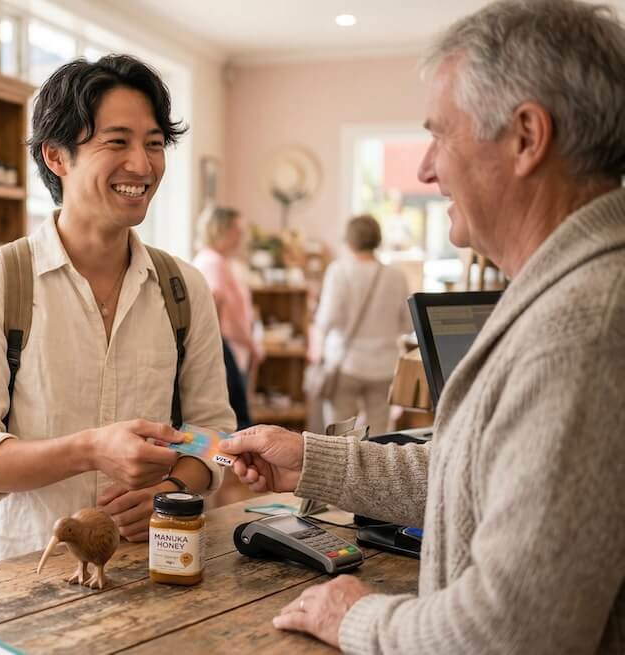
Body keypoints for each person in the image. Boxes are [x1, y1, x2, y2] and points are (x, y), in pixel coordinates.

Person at [219, 1, 625, 652]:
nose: (426, 169)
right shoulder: (573, 293)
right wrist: (313, 459)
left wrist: (354, 615)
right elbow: (478, 474)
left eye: (441, 135)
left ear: (526, 136)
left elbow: (509, 634)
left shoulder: (582, 328)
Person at [0, 55, 234, 568]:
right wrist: (89, 450)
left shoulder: (184, 289)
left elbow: (216, 439)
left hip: (148, 571)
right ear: (57, 156)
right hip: (21, 573)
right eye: (117, 142)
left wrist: (170, 489)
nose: (142, 165)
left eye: (155, 143)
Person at [312, 215, 411, 434]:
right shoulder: (396, 275)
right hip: (384, 366)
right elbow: (408, 324)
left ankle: (340, 470)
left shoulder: (339, 271)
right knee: (379, 435)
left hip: (346, 363)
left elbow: (328, 319)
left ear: (349, 241)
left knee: (339, 435)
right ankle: (374, 470)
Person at [192, 206, 261, 430]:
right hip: (224, 351)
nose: (242, 236)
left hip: (229, 348)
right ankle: (232, 465)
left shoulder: (214, 260)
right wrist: (251, 344)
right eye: (238, 230)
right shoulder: (213, 263)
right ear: (223, 230)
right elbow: (214, 315)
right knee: (236, 421)